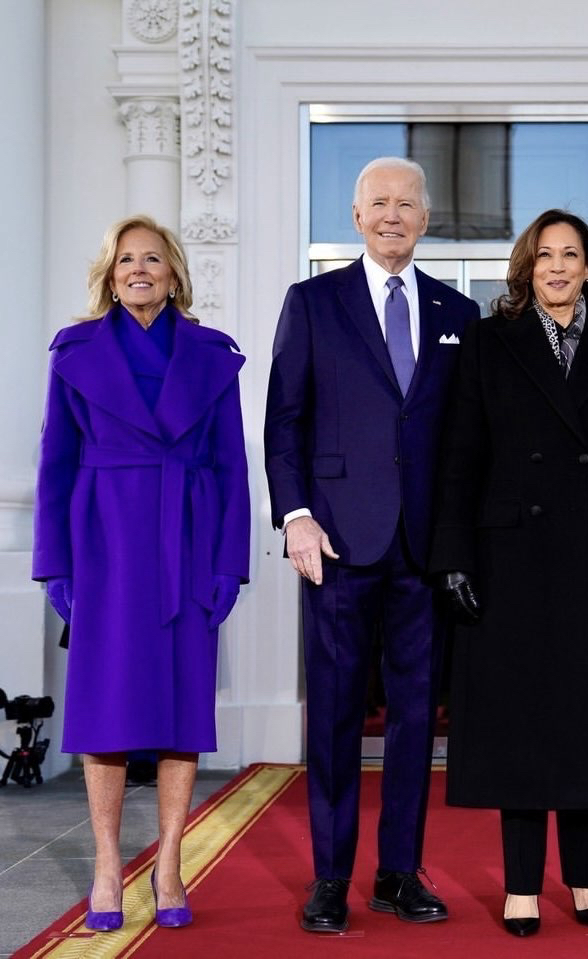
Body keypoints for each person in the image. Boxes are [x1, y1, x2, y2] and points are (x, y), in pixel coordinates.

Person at [429, 209, 588, 937]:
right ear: (525, 269)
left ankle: (587, 877)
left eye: (571, 255)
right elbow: (460, 454)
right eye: (544, 256)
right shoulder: (486, 341)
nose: (558, 267)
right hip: (510, 558)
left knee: (587, 722)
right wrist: (452, 553)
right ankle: (523, 884)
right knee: (522, 724)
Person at [264, 157, 480, 933]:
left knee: (418, 719)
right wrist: (294, 516)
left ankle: (397, 872)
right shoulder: (313, 302)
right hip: (336, 542)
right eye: (378, 203)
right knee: (332, 715)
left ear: (425, 218)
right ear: (355, 217)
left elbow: (464, 439)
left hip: (423, 550)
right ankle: (329, 876)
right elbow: (283, 420)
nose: (393, 215)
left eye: (407, 204)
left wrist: (461, 539)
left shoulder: (459, 310)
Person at [32, 215, 250, 931]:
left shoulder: (212, 356)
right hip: (103, 546)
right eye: (126, 259)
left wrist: (229, 565)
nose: (139, 268)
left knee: (181, 712)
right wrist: (54, 564)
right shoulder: (75, 352)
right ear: (109, 272)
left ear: (174, 272)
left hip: (185, 543)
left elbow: (232, 470)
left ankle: (168, 865)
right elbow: (55, 465)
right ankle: (104, 867)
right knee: (105, 712)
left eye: (152, 258)